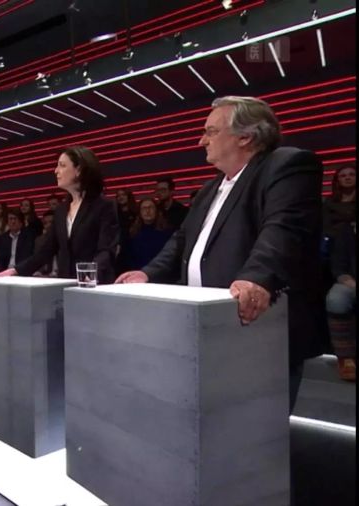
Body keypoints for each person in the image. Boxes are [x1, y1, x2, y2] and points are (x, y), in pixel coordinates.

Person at [116, 96, 326, 412]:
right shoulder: (210, 188)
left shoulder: (287, 165)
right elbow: (181, 240)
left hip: (257, 324)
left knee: (255, 428)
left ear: (245, 136)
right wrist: (148, 273)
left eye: (211, 131)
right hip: (207, 326)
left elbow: (284, 228)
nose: (202, 140)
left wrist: (256, 277)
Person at [0, 146, 119, 282]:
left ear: (79, 170)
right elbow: (46, 250)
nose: (56, 171)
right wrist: (17, 270)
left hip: (95, 285)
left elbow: (106, 251)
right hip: (66, 284)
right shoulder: (61, 210)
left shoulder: (104, 206)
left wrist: (90, 274)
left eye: (62, 166)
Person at [327, 221, 355, 381]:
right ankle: (346, 359)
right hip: (352, 283)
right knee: (337, 298)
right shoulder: (348, 229)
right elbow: (339, 266)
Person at [126, 199, 174, 270]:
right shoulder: (133, 234)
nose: (147, 211)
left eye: (150, 207)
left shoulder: (168, 232)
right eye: (144, 208)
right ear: (140, 213)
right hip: (140, 274)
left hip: (163, 272)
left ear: (156, 211)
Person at [323, 165, 355, 239]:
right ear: (338, 181)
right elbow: (325, 225)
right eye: (343, 176)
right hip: (336, 242)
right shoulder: (330, 202)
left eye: (352, 175)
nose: (348, 178)